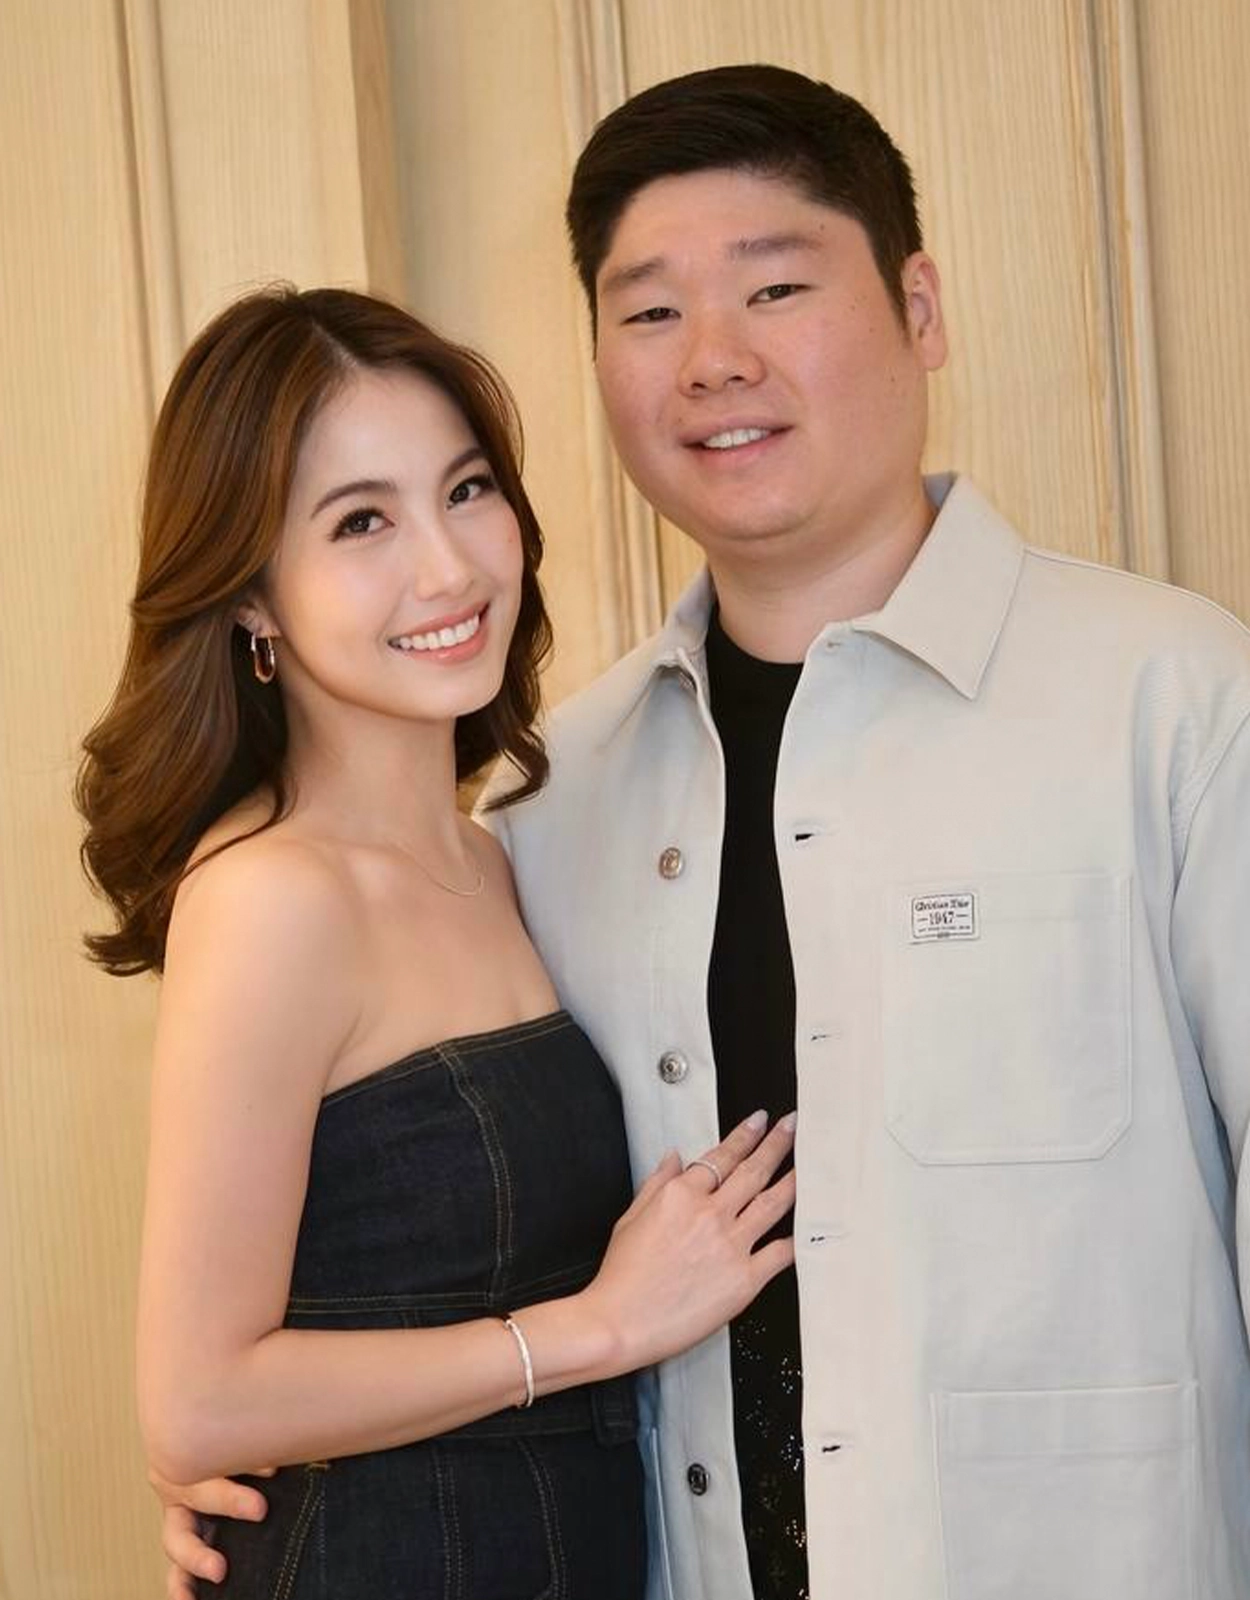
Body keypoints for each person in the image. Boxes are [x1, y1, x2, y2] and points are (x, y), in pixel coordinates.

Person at [160, 64, 1250, 1600]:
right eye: (652, 312)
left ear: (918, 308)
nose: (713, 361)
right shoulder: (552, 801)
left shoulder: (1172, 703)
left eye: (776, 288)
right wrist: (270, 1458)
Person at [77, 284, 798, 1599]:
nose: (450, 568)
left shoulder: (497, 853)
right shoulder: (272, 898)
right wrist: (592, 1330)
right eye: (362, 521)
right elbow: (197, 1402)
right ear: (251, 597)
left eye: (466, 490)